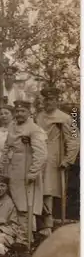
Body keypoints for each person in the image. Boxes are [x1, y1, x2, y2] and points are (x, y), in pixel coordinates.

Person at [0, 100, 47, 246]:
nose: (19, 114)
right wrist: (2, 166)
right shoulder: (12, 127)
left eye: (23, 111)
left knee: (25, 206)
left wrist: (32, 173)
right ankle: (15, 237)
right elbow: (6, 147)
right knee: (13, 204)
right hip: (12, 171)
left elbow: (41, 154)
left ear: (29, 112)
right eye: (17, 111)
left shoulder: (34, 129)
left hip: (26, 172)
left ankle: (25, 240)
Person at [35, 87, 79, 236]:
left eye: (52, 99)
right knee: (38, 190)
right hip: (39, 156)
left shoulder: (67, 118)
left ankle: (48, 225)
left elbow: (75, 140)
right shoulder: (38, 117)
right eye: (46, 99)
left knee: (48, 191)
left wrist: (67, 160)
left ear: (57, 100)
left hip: (54, 158)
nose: (49, 102)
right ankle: (38, 223)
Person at [0, 105, 14, 174]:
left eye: (6, 113)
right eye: (1, 114)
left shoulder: (15, 129)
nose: (3, 116)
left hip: (10, 162)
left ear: (12, 115)